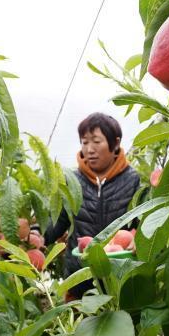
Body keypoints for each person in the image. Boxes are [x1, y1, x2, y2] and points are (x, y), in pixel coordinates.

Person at [44, 113, 140, 295]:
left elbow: (141, 222)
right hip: (79, 278)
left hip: (119, 276)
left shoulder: (133, 180)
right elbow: (57, 221)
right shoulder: (72, 181)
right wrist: (35, 235)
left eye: (96, 141)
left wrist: (140, 237)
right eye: (84, 142)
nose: (89, 149)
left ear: (116, 143)